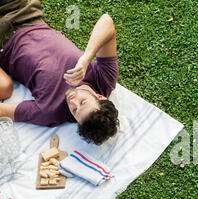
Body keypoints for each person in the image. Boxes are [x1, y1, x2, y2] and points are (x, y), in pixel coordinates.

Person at [0, 0, 119, 145]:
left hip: (3, 43)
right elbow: (107, 21)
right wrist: (86, 58)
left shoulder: (50, 112)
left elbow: (3, 111)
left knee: (5, 88)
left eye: (75, 111)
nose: (72, 101)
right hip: (25, 14)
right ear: (100, 97)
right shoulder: (104, 79)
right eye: (83, 101)